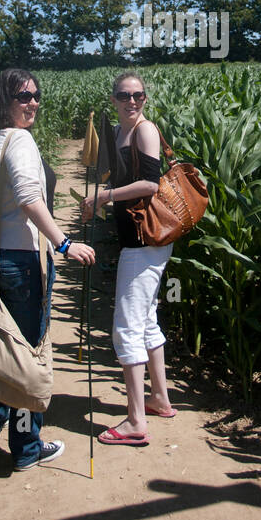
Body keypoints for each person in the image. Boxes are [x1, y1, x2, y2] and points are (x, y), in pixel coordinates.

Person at [0, 68, 94, 470]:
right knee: (28, 349)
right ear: (3, 101)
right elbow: (27, 198)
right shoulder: (19, 140)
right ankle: (26, 448)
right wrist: (64, 243)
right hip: (19, 259)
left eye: (36, 95)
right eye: (23, 97)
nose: (33, 102)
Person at [81, 71, 176, 445]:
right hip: (134, 238)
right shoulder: (121, 133)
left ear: (145, 99)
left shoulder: (144, 130)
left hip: (144, 241)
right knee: (147, 320)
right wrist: (104, 195)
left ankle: (135, 422)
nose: (131, 101)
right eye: (124, 95)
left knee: (126, 327)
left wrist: (105, 197)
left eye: (138, 95)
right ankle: (160, 399)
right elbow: (125, 182)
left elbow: (151, 185)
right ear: (114, 98)